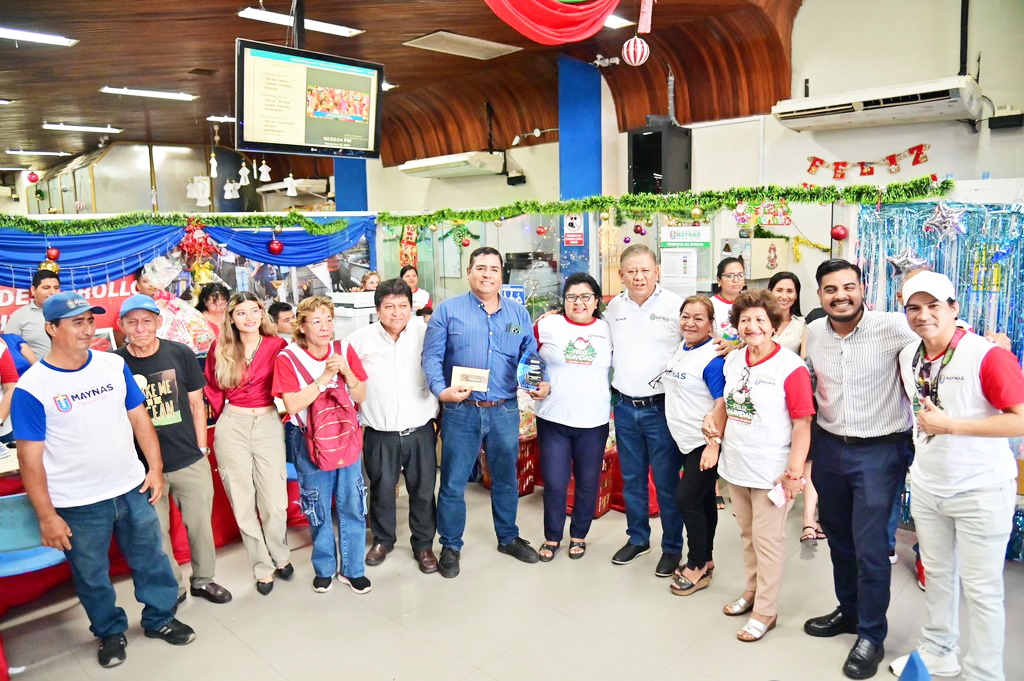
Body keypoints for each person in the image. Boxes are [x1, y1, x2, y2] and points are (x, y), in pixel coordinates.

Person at [11, 292, 195, 668]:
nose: (87, 329)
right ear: (51, 328)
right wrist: (47, 516)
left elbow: (139, 417)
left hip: (130, 488)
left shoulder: (112, 365)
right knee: (92, 574)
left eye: (90, 321)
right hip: (77, 503)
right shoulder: (34, 387)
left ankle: (160, 617)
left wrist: (155, 468)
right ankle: (109, 631)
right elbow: (29, 459)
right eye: (76, 322)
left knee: (151, 560)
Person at [888, 272, 1024, 681]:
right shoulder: (908, 355)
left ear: (954, 308)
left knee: (982, 591)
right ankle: (939, 652)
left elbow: (1019, 420)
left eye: (934, 306)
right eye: (914, 307)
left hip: (981, 488)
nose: (923, 315)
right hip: (929, 486)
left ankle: (984, 672)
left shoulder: (986, 355)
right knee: (940, 577)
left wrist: (954, 426)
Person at [803, 259, 917, 680]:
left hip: (880, 451)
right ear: (820, 296)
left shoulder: (894, 327)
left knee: (871, 549)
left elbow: (939, 339)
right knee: (839, 540)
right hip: (830, 447)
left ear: (863, 288)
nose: (841, 296)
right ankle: (849, 613)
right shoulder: (814, 332)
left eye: (848, 287)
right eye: (831, 289)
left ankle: (871, 633)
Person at [422, 246, 550, 578]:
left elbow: (530, 354)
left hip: (504, 409)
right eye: (480, 268)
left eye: (494, 269)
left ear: (501, 275)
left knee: (506, 479)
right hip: (461, 410)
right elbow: (432, 359)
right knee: (452, 482)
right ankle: (450, 545)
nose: (487, 274)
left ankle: (508, 537)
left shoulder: (518, 314)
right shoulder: (448, 311)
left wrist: (540, 382)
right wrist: (442, 392)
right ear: (469, 272)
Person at [702, 290, 814, 642]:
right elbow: (727, 403)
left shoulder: (790, 367)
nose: (752, 326)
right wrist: (713, 420)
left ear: (774, 325)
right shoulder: (735, 361)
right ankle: (751, 592)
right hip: (737, 465)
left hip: (772, 472)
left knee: (768, 541)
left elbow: (802, 424)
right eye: (745, 320)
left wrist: (795, 473)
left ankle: (766, 610)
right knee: (748, 537)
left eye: (760, 320)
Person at [114, 294, 232, 605]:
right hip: (143, 468)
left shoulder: (180, 353)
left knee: (199, 527)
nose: (140, 328)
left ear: (158, 322)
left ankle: (204, 580)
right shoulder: (114, 364)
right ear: (121, 325)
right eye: (132, 322)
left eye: (147, 320)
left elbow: (196, 403)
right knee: (157, 533)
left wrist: (202, 449)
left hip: (189, 459)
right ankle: (173, 586)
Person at [273, 296, 372, 594]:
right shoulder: (288, 358)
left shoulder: (344, 350)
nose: (325, 327)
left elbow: (361, 396)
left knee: (352, 502)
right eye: (316, 321)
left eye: (329, 319)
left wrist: (347, 373)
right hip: (307, 439)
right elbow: (290, 404)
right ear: (301, 326)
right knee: (316, 504)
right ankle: (325, 567)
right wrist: (324, 377)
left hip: (346, 436)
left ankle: (353, 569)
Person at [347, 279, 440, 573]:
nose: (397, 312)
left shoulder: (427, 334)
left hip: (420, 431)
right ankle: (384, 540)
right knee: (382, 489)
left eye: (403, 306)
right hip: (379, 433)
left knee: (423, 491)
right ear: (378, 309)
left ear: (411, 307)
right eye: (389, 306)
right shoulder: (359, 339)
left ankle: (423, 544)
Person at [604, 244, 686, 577]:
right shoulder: (614, 307)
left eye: (645, 270)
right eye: (631, 271)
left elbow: (697, 342)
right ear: (621, 275)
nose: (639, 277)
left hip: (661, 408)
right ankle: (638, 538)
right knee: (633, 479)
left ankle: (672, 548)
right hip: (624, 407)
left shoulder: (675, 306)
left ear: (657, 271)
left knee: (666, 483)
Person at [205, 292, 292, 595]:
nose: (249, 317)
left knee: (274, 502)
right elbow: (213, 389)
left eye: (254, 311)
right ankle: (262, 567)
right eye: (241, 313)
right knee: (242, 502)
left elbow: (287, 386)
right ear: (231, 318)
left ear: (262, 314)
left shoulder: (277, 345)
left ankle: (280, 554)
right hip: (233, 424)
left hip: (268, 421)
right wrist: (225, 419)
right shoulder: (221, 348)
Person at [533, 273, 612, 562]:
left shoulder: (608, 329)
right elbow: (526, 357)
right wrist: (533, 383)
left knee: (588, 481)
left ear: (596, 301)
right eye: (571, 297)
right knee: (554, 481)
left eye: (585, 297)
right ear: (563, 300)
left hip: (593, 421)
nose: (578, 302)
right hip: (554, 417)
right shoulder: (547, 324)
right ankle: (552, 536)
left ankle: (579, 534)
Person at [661, 295, 726, 595]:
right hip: (682, 439)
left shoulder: (712, 357)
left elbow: (721, 403)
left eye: (699, 318)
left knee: (686, 500)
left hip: (704, 442)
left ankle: (697, 563)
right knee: (701, 501)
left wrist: (713, 445)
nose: (690, 323)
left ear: (711, 324)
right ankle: (708, 559)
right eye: (686, 316)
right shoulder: (682, 346)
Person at [767, 271, 820, 545]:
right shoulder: (761, 321)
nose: (784, 296)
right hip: (766, 400)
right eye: (779, 290)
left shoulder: (803, 325)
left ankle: (808, 520)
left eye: (790, 291)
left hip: (794, 397)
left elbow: (805, 362)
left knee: (803, 456)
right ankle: (769, 502)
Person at [6, 269, 61, 358]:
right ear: (33, 290)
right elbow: (10, 350)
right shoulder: (19, 316)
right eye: (46, 288)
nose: (52, 292)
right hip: (35, 370)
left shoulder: (68, 312)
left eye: (56, 288)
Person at [711, 257, 745, 347]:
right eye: (730, 276)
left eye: (740, 275)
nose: (736, 280)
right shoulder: (709, 305)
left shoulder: (751, 303)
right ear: (719, 280)